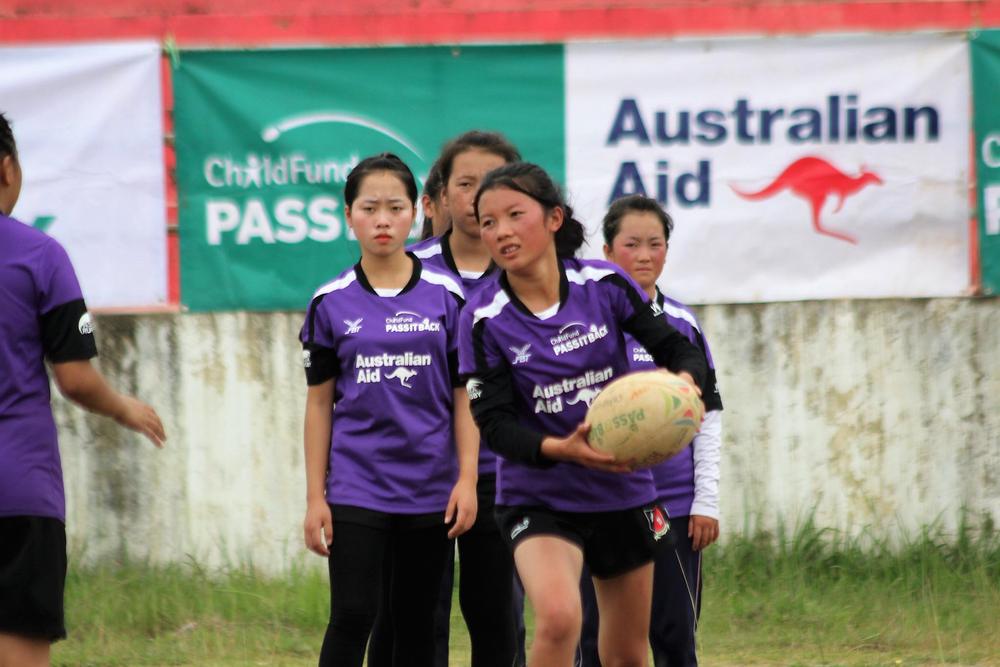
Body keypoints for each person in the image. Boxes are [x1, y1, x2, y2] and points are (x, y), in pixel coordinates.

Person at [458, 162, 707, 667]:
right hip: (539, 496)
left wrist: (684, 384)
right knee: (559, 619)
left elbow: (677, 349)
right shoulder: (482, 318)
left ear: (554, 218)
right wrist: (562, 449)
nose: (501, 231)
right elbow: (496, 423)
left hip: (623, 490)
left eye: (514, 214)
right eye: (487, 222)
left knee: (627, 654)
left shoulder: (605, 285)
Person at [0, 111, 166, 667]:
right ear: (7, 170)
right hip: (19, 490)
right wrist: (124, 409)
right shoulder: (39, 256)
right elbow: (73, 377)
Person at [300, 153, 478, 667]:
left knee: (418, 624)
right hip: (358, 486)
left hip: (431, 487)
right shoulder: (330, 302)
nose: (382, 220)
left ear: (414, 212)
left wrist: (467, 478)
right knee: (354, 614)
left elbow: (464, 393)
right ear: (348, 214)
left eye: (394, 207)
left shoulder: (448, 296)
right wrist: (316, 497)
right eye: (369, 207)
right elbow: (318, 405)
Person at [371, 130, 523, 667]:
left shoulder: (534, 273)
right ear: (439, 195)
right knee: (409, 618)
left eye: (495, 183)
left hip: (505, 475)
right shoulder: (407, 269)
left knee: (498, 618)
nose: (480, 195)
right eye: (466, 183)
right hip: (418, 475)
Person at [577, 194, 724, 667]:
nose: (644, 255)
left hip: (673, 507)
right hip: (597, 504)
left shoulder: (681, 323)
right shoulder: (583, 324)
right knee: (596, 637)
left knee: (674, 634)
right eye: (631, 244)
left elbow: (711, 413)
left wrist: (706, 501)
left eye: (655, 244)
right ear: (606, 252)